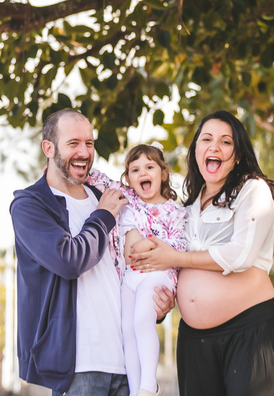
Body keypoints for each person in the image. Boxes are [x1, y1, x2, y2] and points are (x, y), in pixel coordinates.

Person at [11, 109, 175, 396]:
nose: (84, 152)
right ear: (49, 149)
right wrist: (103, 216)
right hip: (79, 367)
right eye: (73, 143)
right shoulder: (31, 205)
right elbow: (68, 260)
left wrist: (155, 304)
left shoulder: (106, 197)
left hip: (127, 365)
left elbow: (130, 266)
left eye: (89, 143)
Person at [128, 109, 274, 396]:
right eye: (206, 139)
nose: (214, 147)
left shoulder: (253, 190)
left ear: (237, 156)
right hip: (193, 340)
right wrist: (165, 301)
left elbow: (240, 255)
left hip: (248, 330)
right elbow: (172, 268)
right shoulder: (185, 210)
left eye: (226, 142)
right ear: (196, 151)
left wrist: (176, 258)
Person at [88, 145, 186, 396]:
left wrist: (151, 243)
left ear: (163, 173)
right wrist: (59, 170)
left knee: (143, 320)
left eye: (149, 167)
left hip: (157, 273)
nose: (143, 172)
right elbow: (100, 179)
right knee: (128, 330)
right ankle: (135, 390)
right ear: (129, 178)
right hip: (129, 278)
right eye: (135, 169)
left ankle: (149, 385)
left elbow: (181, 244)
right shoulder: (128, 198)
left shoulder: (175, 211)